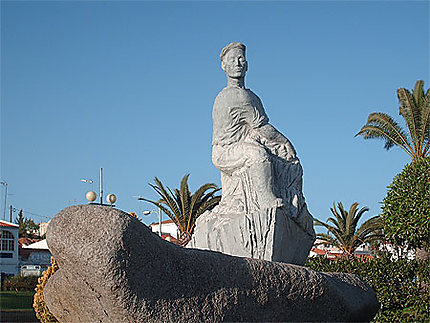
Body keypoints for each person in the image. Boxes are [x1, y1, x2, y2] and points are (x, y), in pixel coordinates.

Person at [212, 42, 299, 212]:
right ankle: (265, 199)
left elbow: (257, 130)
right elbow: (263, 129)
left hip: (242, 143)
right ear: (223, 66)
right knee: (257, 154)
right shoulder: (234, 96)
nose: (237, 63)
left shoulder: (251, 96)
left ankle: (291, 201)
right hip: (225, 151)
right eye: (232, 60)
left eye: (241, 59)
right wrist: (286, 142)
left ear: (247, 65)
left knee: (280, 158)